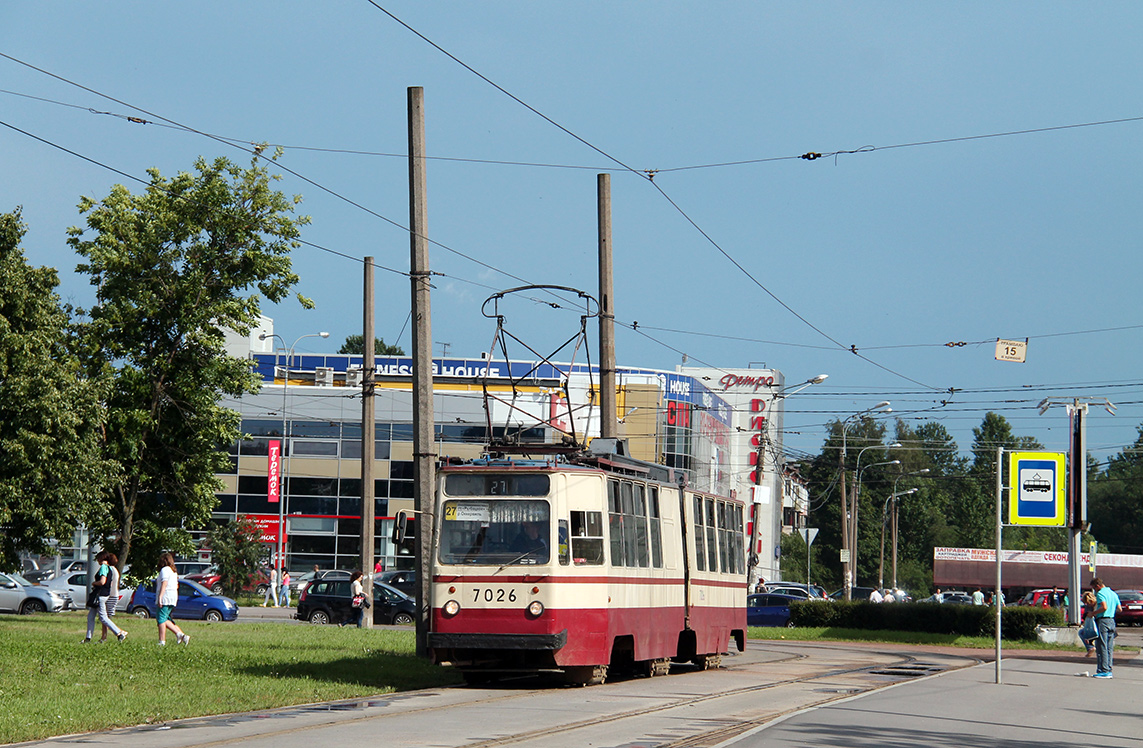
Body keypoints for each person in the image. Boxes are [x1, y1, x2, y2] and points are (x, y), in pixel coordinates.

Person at [83, 552, 126, 644]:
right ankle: (88, 638)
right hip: (104, 594)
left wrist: (94, 583)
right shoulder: (110, 568)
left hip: (100, 595)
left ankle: (119, 633)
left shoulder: (103, 567)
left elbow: (102, 582)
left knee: (103, 617)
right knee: (91, 616)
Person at [156, 552, 189, 646]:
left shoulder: (165, 570)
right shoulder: (173, 571)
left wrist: (160, 597)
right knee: (166, 618)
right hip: (173, 597)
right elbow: (176, 585)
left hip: (165, 596)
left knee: (161, 619)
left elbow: (164, 583)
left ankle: (163, 641)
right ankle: (179, 634)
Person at [1091, 577, 1121, 678]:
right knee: (1109, 647)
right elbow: (1119, 609)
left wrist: (1093, 613)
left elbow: (1104, 607)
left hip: (1103, 620)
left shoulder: (1100, 594)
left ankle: (1104, 670)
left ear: (1098, 586)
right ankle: (1109, 668)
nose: (1095, 591)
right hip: (1112, 620)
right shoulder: (1113, 593)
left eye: (1094, 589)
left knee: (1102, 646)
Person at [99, 552, 126, 643]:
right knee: (106, 618)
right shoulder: (115, 570)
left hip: (111, 595)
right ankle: (104, 637)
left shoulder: (110, 569)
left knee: (105, 618)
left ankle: (120, 632)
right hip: (113, 595)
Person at [1079, 590, 1098, 657]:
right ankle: (1090, 647)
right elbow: (1085, 616)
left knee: (1083, 633)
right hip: (1091, 625)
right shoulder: (1089, 606)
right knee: (1082, 632)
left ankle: (1090, 647)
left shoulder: (1097, 605)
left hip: (1097, 624)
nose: (1087, 605)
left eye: (1088, 603)